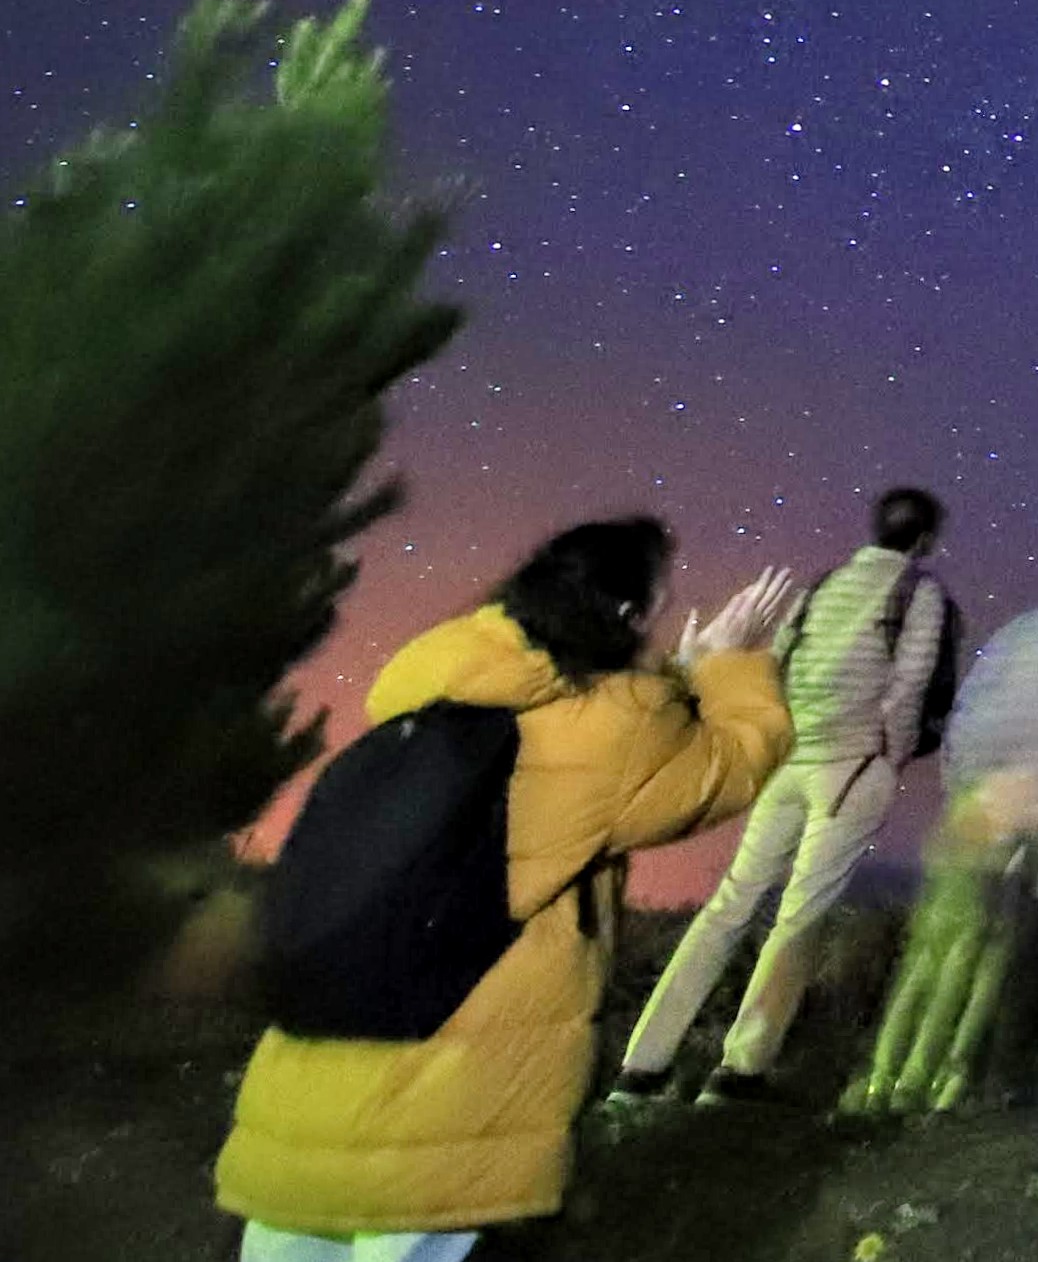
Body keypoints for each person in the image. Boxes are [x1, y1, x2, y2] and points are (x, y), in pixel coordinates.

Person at [217, 520, 801, 1261]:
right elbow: (729, 765)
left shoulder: (431, 697)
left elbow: (597, 741)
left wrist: (675, 674)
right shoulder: (609, 728)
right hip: (440, 1105)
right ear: (624, 617)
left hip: (308, 1087)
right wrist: (731, 665)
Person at [614, 483, 965, 1099]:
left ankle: (643, 1063)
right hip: (851, 768)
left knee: (729, 905)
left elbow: (778, 663)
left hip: (789, 763)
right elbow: (910, 684)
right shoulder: (921, 592)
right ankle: (739, 1070)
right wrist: (890, 752)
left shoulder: (821, 586)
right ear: (927, 539)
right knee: (800, 915)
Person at [845, 532, 1038, 1116]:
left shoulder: (1021, 630)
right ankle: (979, 1078)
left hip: (986, 802)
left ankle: (889, 1078)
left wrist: (968, 790)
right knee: (1017, 950)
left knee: (937, 949)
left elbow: (970, 717)